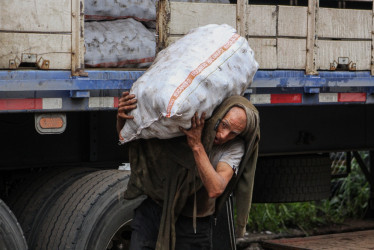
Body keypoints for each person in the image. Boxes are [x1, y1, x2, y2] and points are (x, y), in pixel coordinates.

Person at [117, 91, 253, 250]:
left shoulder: (234, 147)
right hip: (154, 213)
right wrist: (121, 118)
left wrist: (197, 146)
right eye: (224, 125)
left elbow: (216, 188)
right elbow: (128, 139)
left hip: (193, 225)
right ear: (217, 116)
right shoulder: (185, 124)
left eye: (233, 133)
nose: (223, 135)